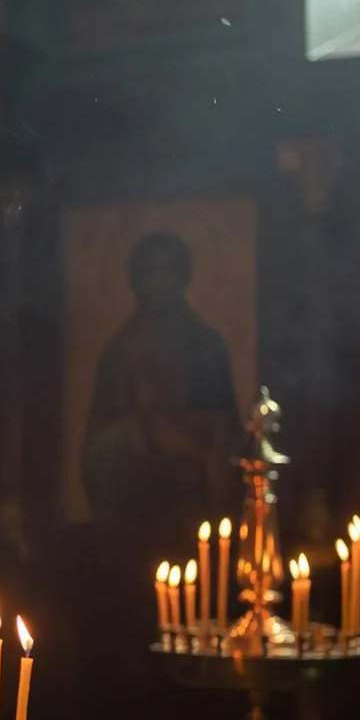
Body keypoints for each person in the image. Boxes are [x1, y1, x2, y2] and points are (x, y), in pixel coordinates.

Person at [81, 231, 239, 539]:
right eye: (149, 273)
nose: (158, 283)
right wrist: (140, 431)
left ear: (184, 277)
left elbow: (227, 425)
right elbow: (98, 442)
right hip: (136, 496)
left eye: (167, 271)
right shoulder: (120, 354)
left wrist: (199, 446)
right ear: (135, 281)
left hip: (195, 497)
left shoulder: (207, 346)